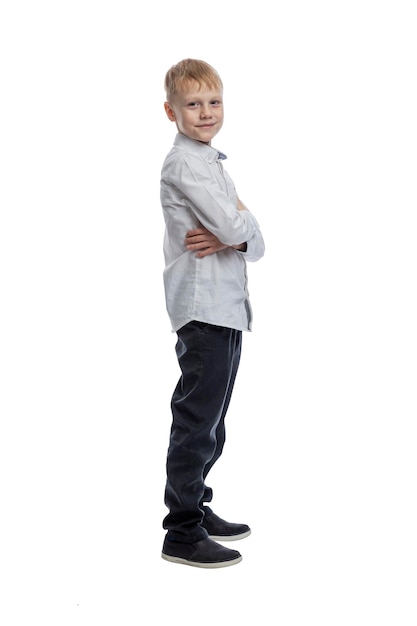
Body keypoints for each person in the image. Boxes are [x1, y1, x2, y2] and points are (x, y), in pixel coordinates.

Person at [160, 58, 265, 568]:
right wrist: (238, 227)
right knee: (197, 419)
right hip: (202, 307)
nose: (206, 112)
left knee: (214, 419)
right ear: (171, 111)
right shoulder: (185, 164)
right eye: (193, 104)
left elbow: (249, 237)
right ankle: (181, 530)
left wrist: (238, 231)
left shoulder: (212, 161)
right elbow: (233, 223)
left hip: (226, 306)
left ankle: (197, 505)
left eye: (214, 102)